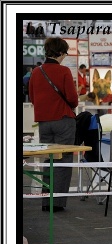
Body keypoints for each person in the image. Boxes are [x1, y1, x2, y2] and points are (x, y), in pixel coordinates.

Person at [28, 37, 78, 212]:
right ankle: (56, 203)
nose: (65, 56)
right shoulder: (64, 71)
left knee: (48, 160)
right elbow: (73, 99)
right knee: (63, 161)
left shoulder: (36, 71)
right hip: (63, 120)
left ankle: (45, 201)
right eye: (64, 53)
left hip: (44, 122)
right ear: (59, 53)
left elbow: (33, 98)